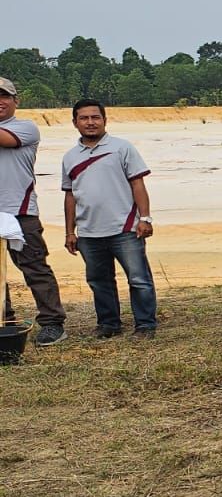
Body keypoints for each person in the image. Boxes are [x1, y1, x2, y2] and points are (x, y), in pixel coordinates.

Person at [60, 100, 157, 339]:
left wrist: (145, 218)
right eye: (84, 118)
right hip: (89, 232)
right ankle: (108, 324)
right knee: (99, 281)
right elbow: (70, 195)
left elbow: (138, 184)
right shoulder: (70, 157)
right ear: (75, 123)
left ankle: (145, 325)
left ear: (105, 120)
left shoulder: (121, 148)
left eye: (95, 117)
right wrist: (70, 232)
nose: (90, 122)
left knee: (139, 279)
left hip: (125, 229)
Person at [0, 76, 66, 345]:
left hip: (20, 211)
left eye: (4, 96)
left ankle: (53, 323)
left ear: (16, 101)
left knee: (35, 269)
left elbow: (5, 140)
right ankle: (4, 320)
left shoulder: (26, 128)